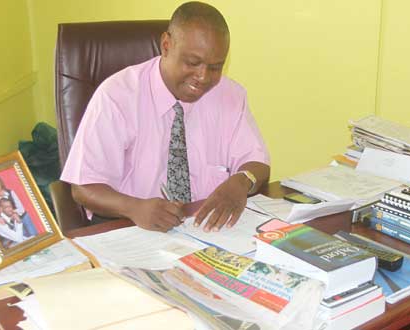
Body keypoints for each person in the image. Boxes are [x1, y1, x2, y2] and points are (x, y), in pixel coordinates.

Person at [61, 2, 270, 233]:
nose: (202, 77)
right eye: (192, 63)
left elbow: (257, 162)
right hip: (132, 229)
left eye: (215, 67)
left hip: (205, 231)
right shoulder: (117, 96)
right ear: (166, 45)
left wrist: (241, 182)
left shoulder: (230, 95)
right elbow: (83, 186)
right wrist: (134, 208)